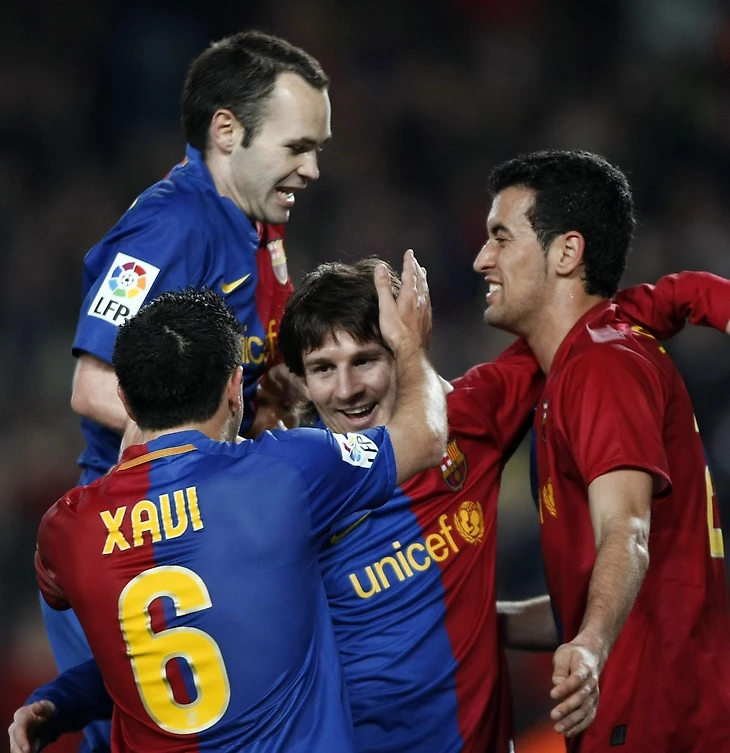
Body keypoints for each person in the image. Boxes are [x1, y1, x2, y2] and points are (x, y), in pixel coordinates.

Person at [12, 258, 730, 753]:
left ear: (400, 353)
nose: (348, 387)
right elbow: (195, 645)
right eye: (323, 368)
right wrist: (70, 697)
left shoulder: (471, 417)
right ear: (297, 381)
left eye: (367, 359)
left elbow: (572, 329)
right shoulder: (280, 491)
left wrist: (693, 296)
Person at [30, 249, 448, 752]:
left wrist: (64, 699)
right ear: (235, 386)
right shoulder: (286, 472)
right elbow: (425, 438)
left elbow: (147, 643)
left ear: (124, 398)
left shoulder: (67, 527)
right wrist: (411, 347)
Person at [49, 29, 331, 751]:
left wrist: (272, 398)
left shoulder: (255, 224)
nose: (312, 168)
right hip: (134, 545)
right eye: (298, 147)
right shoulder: (169, 227)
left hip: (201, 529)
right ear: (227, 131)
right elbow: (91, 385)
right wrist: (228, 451)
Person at [474, 149, 730, 751]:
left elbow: (628, 531)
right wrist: (485, 622)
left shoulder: (602, 364)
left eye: (501, 238)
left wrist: (590, 647)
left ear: (567, 253)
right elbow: (597, 589)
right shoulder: (587, 360)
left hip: (654, 721)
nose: (482, 258)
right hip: (657, 710)